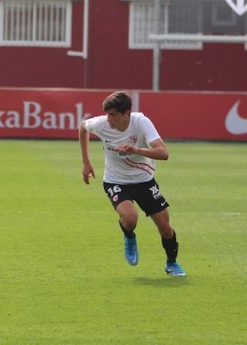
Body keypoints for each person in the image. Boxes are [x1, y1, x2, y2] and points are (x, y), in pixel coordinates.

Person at [79, 91, 186, 277]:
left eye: (113, 115)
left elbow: (164, 153)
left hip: (144, 181)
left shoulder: (141, 122)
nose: (109, 119)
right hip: (115, 180)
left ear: (127, 113)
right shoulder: (101, 124)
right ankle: (129, 235)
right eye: (107, 114)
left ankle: (172, 263)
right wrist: (86, 162)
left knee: (165, 228)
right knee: (130, 218)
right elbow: (83, 128)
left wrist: (136, 150)